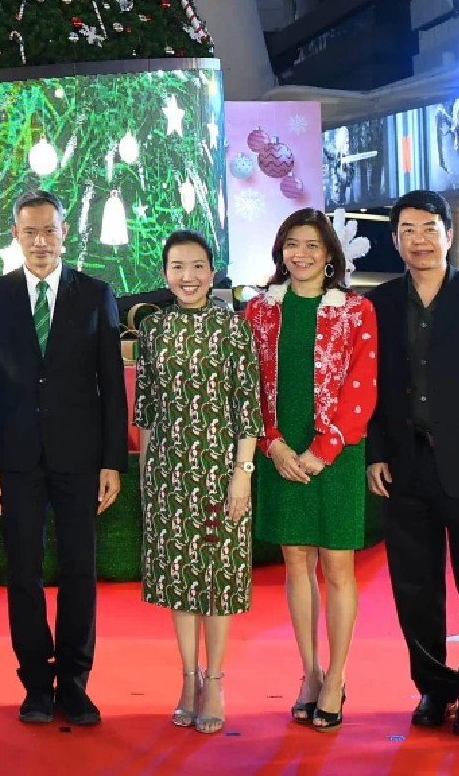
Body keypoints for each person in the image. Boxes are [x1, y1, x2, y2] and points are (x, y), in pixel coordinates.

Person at [0, 190, 128, 727]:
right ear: (15, 235)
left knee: (81, 571)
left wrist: (113, 461)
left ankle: (76, 685)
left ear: (65, 234)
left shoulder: (97, 294)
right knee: (24, 574)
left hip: (81, 458)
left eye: (50, 231)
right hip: (14, 459)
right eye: (30, 232)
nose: (41, 242)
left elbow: (113, 385)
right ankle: (36, 684)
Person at [365, 189, 459, 738]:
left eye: (430, 229)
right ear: (395, 240)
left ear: (449, 234)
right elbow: (372, 391)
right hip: (404, 467)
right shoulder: (378, 305)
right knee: (415, 587)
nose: (420, 240)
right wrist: (376, 453)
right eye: (408, 230)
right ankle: (433, 687)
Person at [240, 208, 377, 733]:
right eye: (292, 244)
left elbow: (362, 386)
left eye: (312, 245)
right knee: (296, 560)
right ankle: (310, 672)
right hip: (280, 451)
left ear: (329, 255)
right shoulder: (259, 312)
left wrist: (325, 449)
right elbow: (247, 385)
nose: (301, 254)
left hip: (335, 455)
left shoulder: (356, 311)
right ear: (280, 252)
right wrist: (272, 445)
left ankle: (338, 677)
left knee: (338, 566)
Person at [133, 230, 259, 735]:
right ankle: (187, 678)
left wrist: (242, 474)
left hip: (222, 471)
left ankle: (215, 680)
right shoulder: (154, 330)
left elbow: (247, 409)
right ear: (165, 274)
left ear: (212, 272)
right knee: (180, 582)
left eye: (198, 266)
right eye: (177, 267)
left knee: (219, 581)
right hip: (168, 472)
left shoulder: (233, 329)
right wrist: (146, 476)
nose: (188, 277)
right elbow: (146, 408)